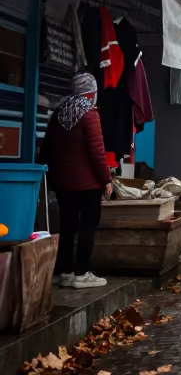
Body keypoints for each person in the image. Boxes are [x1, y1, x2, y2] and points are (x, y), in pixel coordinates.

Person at [38, 72, 112, 288]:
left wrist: (49, 175)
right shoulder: (89, 114)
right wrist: (106, 179)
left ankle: (66, 272)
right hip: (88, 184)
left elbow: (46, 148)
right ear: (91, 92)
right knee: (88, 225)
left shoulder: (59, 113)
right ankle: (82, 273)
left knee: (67, 226)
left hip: (63, 183)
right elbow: (97, 153)